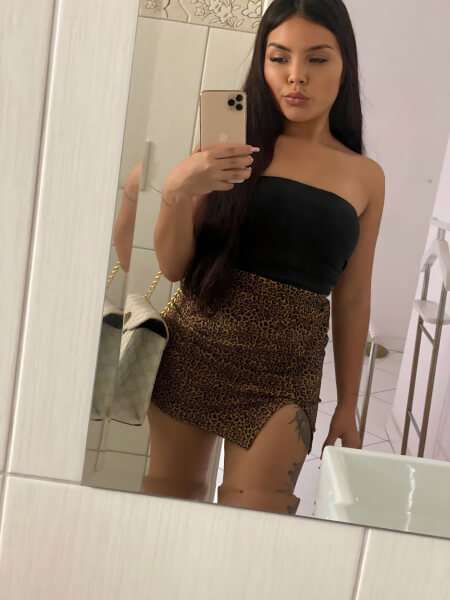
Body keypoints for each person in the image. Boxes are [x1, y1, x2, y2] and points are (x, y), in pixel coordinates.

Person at [141, 0, 385, 516]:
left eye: (317, 58)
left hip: (285, 375)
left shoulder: (365, 177)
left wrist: (347, 404)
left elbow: (353, 296)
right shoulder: (230, 148)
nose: (296, 75)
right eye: (279, 58)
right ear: (262, 62)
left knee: (257, 527)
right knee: (166, 512)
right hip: (195, 347)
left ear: (345, 64)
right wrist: (177, 191)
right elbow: (174, 267)